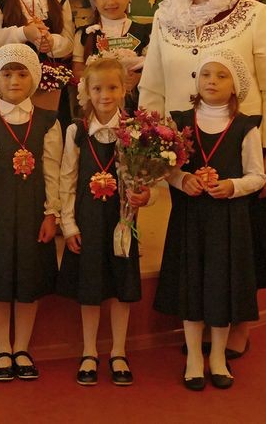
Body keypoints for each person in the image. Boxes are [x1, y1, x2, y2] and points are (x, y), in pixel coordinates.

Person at [138, 0, 266, 356]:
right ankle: (200, 317)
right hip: (185, 147)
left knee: (243, 243)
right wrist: (152, 151)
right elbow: (152, 86)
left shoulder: (254, 15)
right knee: (196, 241)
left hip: (239, 144)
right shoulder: (166, 16)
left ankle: (239, 324)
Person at [154, 52, 266, 391]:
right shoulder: (179, 122)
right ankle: (193, 357)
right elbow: (166, 168)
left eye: (221, 76)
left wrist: (233, 186)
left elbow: (257, 175)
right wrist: (181, 179)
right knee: (192, 284)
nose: (212, 81)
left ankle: (217, 356)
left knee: (221, 286)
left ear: (235, 86)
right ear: (197, 81)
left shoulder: (246, 126)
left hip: (226, 220)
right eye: (206, 75)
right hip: (190, 218)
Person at [0, 44, 62, 382]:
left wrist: (51, 213)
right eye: (6, 74)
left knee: (29, 276)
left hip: (34, 210)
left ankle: (22, 347)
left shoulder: (48, 122)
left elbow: (52, 171)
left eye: (22, 74)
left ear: (34, 77)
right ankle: (2, 347)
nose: (14, 81)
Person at [58, 56, 151, 387]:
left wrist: (145, 196)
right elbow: (67, 181)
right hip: (88, 220)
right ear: (87, 91)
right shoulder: (77, 131)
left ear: (125, 89)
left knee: (121, 285)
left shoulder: (136, 132)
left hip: (121, 220)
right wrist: (69, 225)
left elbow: (145, 179)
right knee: (90, 285)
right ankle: (88, 351)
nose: (105, 95)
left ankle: (118, 351)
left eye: (112, 88)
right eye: (97, 88)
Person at [72, 0, 151, 113]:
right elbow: (78, 71)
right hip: (97, 108)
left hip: (136, 109)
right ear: (94, 0)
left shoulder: (146, 32)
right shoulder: (84, 34)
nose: (110, 1)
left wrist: (139, 78)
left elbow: (155, 70)